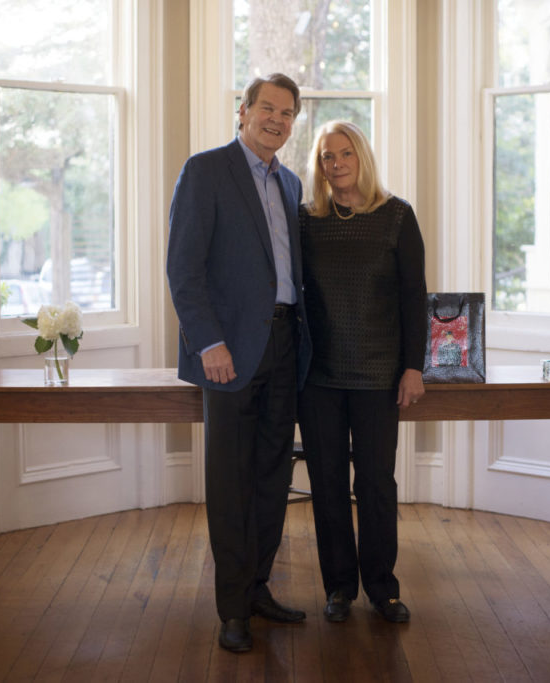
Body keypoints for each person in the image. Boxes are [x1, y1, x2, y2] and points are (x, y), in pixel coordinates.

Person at [166, 73, 312, 654]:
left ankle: (257, 590)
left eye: (288, 113)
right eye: (267, 109)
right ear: (243, 111)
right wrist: (208, 343)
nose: (277, 120)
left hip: (285, 349)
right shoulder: (206, 171)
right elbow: (185, 268)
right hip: (227, 354)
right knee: (230, 484)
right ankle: (232, 611)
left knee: (273, 478)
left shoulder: (292, 183)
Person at [297, 120, 427, 624]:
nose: (337, 164)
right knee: (327, 484)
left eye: (345, 153)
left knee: (374, 484)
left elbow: (415, 298)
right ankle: (338, 588)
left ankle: (381, 588)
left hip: (378, 375)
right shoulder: (306, 221)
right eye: (327, 157)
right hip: (319, 378)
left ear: (362, 157)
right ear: (320, 167)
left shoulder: (396, 216)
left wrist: (413, 367)